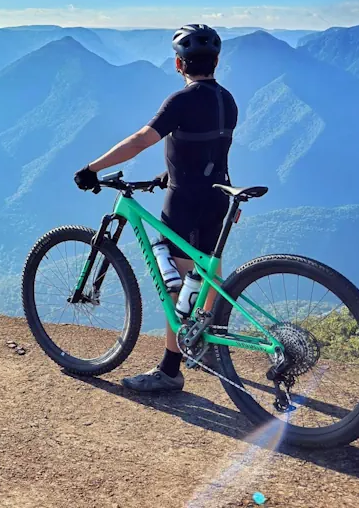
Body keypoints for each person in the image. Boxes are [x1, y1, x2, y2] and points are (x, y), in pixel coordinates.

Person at [72, 24, 238, 393]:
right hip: (218, 199)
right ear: (216, 61)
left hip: (185, 202)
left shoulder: (180, 101)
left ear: (179, 63)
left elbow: (139, 141)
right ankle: (206, 345)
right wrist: (169, 172)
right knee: (207, 275)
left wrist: (92, 169)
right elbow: (211, 148)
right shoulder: (228, 99)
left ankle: (170, 369)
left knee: (175, 285)